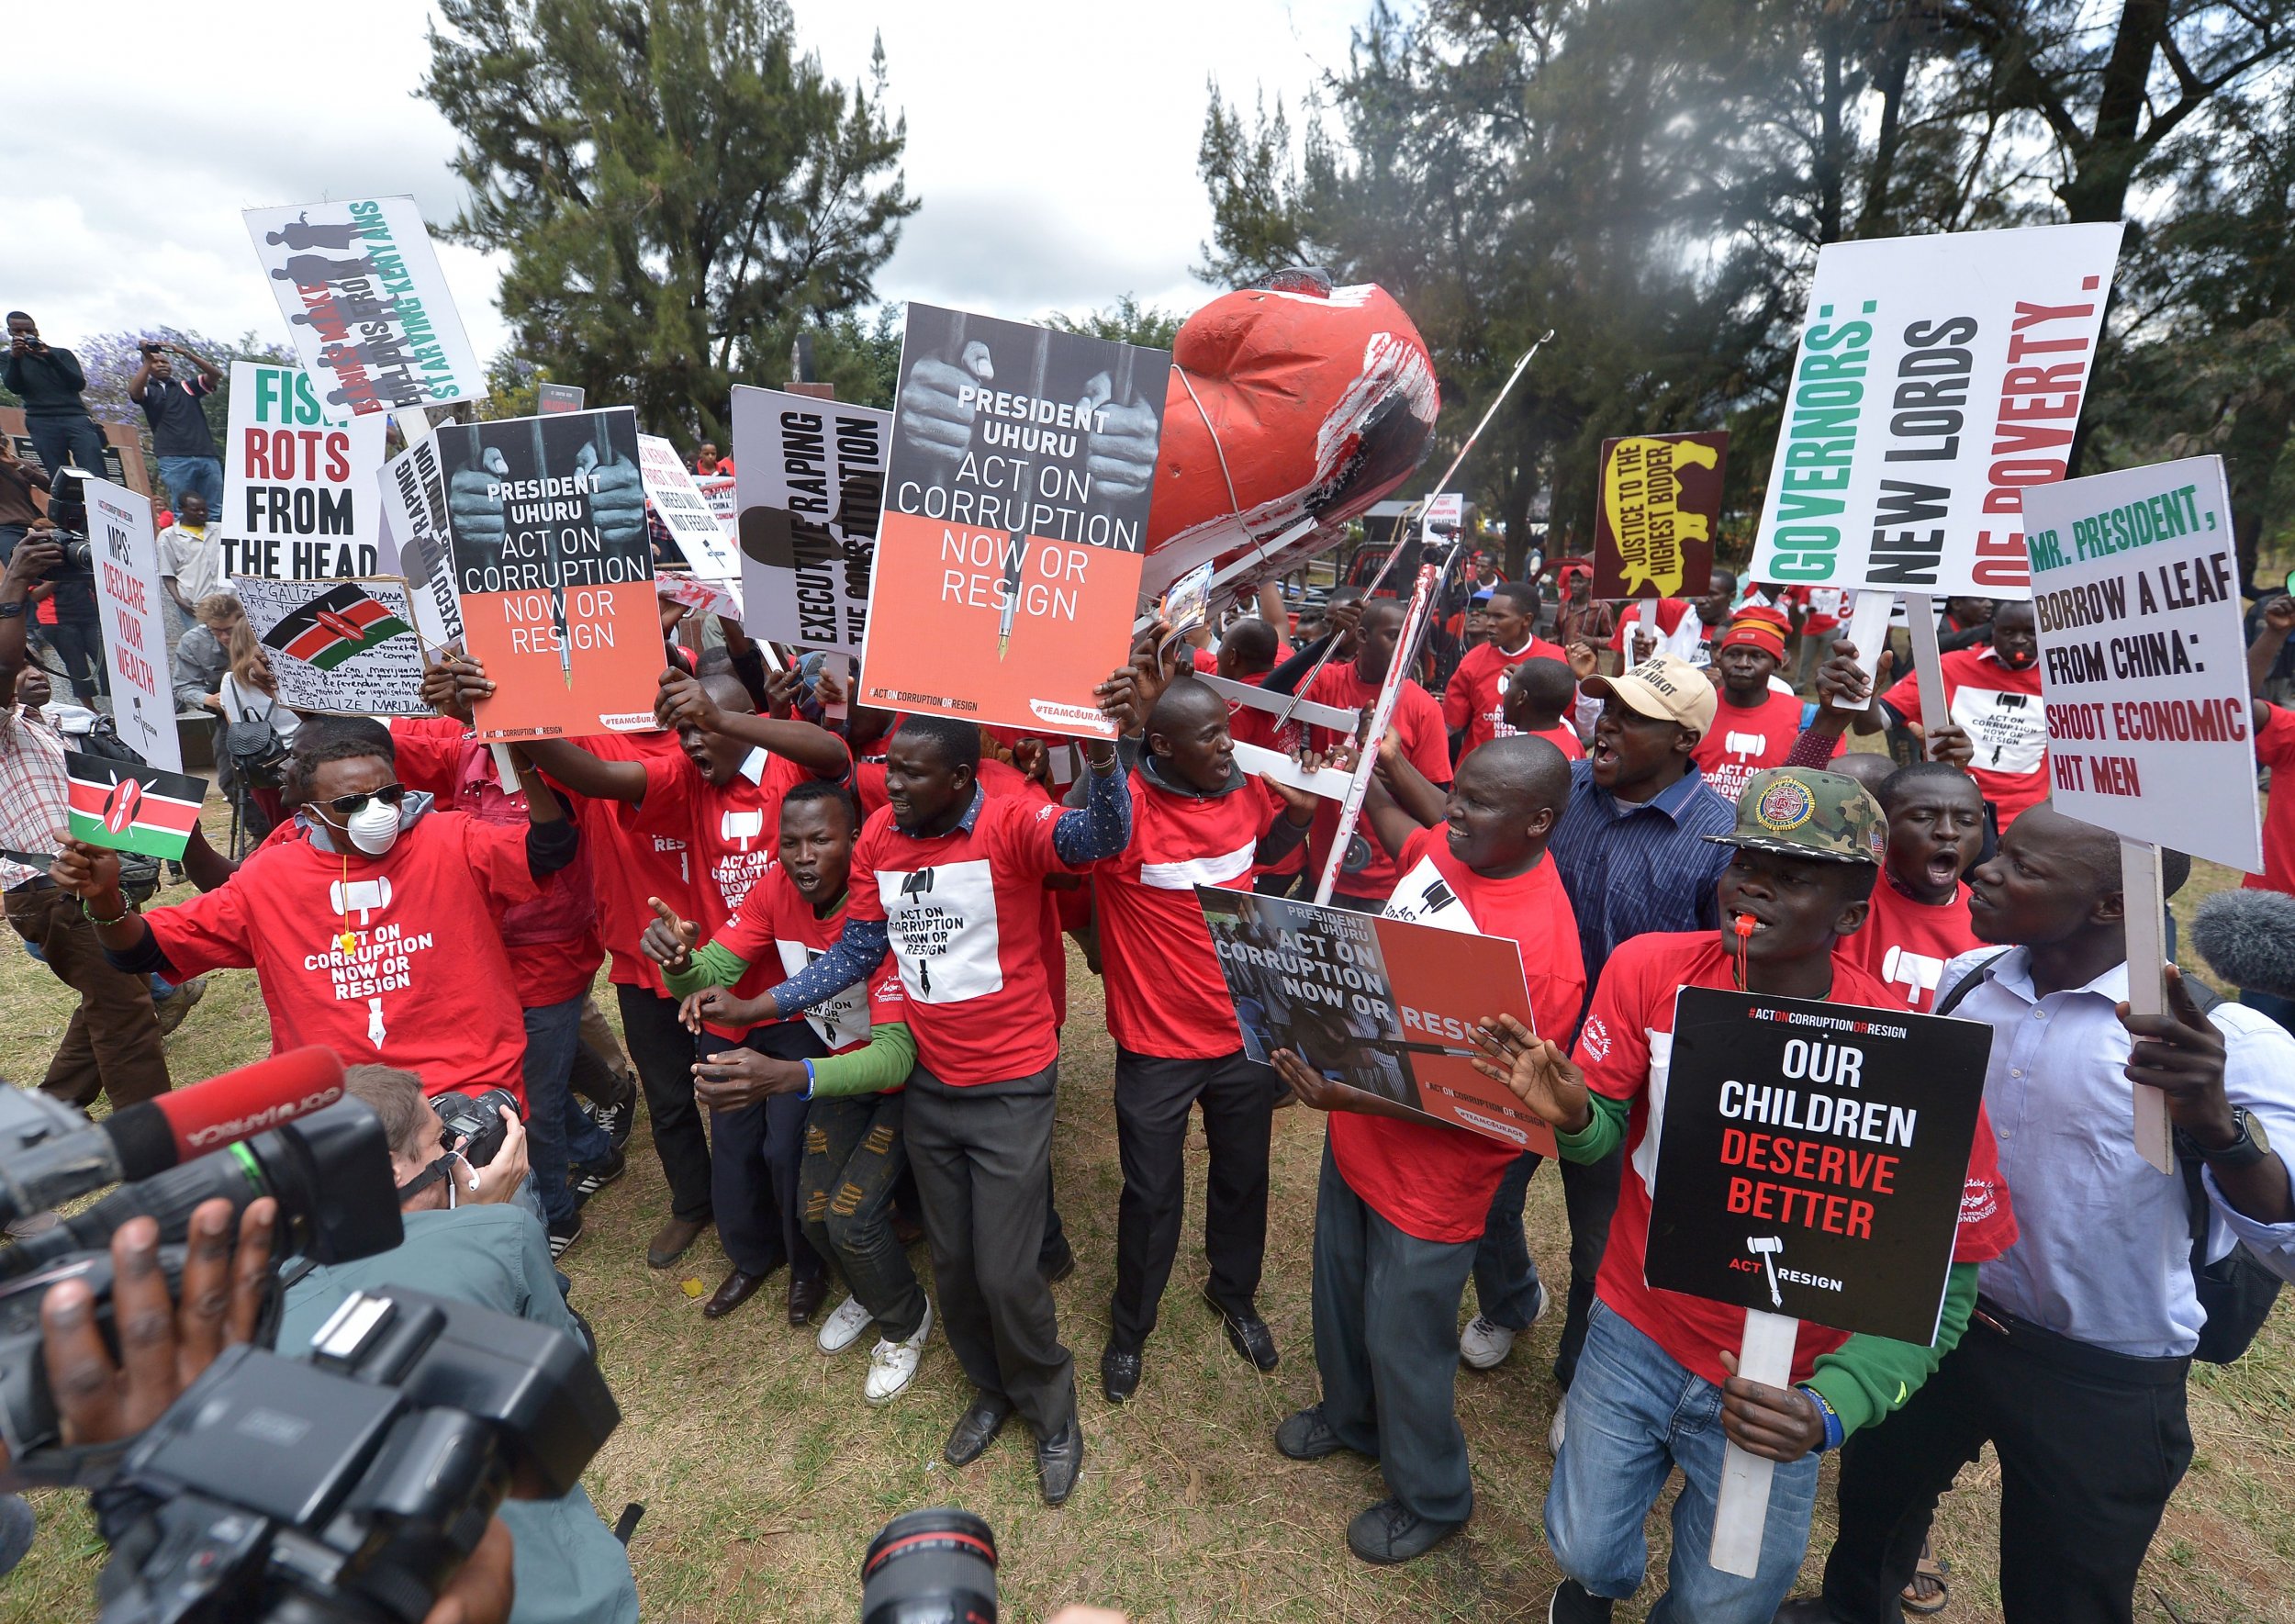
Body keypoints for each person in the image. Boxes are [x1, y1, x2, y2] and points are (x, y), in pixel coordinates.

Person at [1474, 767, 2016, 1622]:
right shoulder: (1651, 971)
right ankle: (1590, 1592)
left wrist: (1832, 1407)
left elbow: (1941, 1289)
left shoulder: (1909, 1061)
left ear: (1850, 914)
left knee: (1728, 1601)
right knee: (1581, 1540)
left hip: (1781, 1382)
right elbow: (1606, 1126)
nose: (1752, 886)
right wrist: (1576, 1115)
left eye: (1792, 875)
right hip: (1634, 1325)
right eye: (1743, 863)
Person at [1781, 807, 2295, 1624]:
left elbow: (2285, 1233)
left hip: (2098, 1370)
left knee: (2066, 1585)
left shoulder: (2233, 1041)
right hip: (1943, 1320)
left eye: (2022, 866)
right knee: (1878, 1501)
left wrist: (2215, 1121)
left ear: (2108, 905)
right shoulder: (1972, 979)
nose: (1984, 869)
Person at [742, 698, 1141, 1507]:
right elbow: (858, 949)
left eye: (912, 773)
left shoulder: (1011, 821)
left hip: (1012, 1084)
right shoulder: (882, 839)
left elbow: (1098, 838)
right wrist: (763, 1007)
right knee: (956, 1263)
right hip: (932, 1084)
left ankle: (1051, 1407)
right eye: (889, 768)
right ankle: (990, 1388)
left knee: (1004, 1268)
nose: (890, 785)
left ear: (962, 777)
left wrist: (1103, 759)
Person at [1268, 734, 1584, 1564]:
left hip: (1432, 1180)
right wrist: (1375, 758)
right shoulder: (1458, 845)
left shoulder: (1540, 957)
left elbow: (1494, 1111)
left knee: (1404, 1340)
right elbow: (1405, 826)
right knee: (1339, 1299)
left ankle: (1433, 1494)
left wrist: (1349, 1092)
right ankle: (1351, 1419)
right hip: (1357, 1134)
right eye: (1460, 792)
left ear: (1540, 822)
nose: (1455, 811)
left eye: (1478, 802)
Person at [51, 718, 577, 1116]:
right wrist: (105, 900)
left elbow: (549, 848)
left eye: (388, 795)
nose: (377, 813)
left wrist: (523, 757)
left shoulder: (454, 840)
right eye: (351, 803)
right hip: (341, 1108)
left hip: (471, 1094)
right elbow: (142, 951)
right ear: (311, 813)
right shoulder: (271, 878)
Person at [515, 662, 850, 1273]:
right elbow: (596, 775)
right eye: (685, 731)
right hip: (723, 992)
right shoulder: (688, 780)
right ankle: (748, 1255)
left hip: (800, 993)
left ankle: (809, 1261)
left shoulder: (786, 765)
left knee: (790, 1142)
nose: (691, 741)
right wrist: (511, 719)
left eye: (701, 728)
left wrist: (720, 715)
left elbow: (833, 751)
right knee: (731, 1138)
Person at [1461, 654, 1735, 1398]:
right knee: (1486, 1199)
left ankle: (1579, 1375)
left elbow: (1723, 973)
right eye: (1604, 705)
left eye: (1631, 714)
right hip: (1525, 1048)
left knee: (1601, 1245)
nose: (1605, 722)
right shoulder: (1560, 791)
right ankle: (1514, 1299)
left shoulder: (1720, 839)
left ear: (1685, 740)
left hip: (1626, 1090)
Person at [280, 1063, 640, 1624]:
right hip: (526, 1579)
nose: (457, 1145)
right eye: (439, 1140)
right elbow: (568, 1376)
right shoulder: (500, 1234)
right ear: (392, 1168)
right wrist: (481, 1224)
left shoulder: (250, 1295)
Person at [650, 782, 939, 1403]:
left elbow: (894, 1056)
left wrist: (790, 1076)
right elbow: (712, 979)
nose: (802, 856)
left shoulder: (879, 912)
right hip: (838, 1067)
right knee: (810, 1210)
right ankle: (867, 1287)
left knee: (850, 1216)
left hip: (903, 1082)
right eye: (790, 843)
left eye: (820, 840)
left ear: (855, 842)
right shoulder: (775, 890)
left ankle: (905, 1319)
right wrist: (678, 963)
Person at [1090, 674, 1317, 1401]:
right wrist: (1104, 740)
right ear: (1161, 745)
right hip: (1157, 1045)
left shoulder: (1243, 788)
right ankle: (1132, 1326)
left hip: (1242, 1033)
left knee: (1244, 1172)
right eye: (1212, 735)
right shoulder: (1124, 814)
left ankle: (1234, 1290)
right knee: (1151, 1193)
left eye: (1228, 729)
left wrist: (1300, 822)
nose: (1229, 744)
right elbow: (1078, 828)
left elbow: (1264, 855)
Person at [403, 661, 622, 1258]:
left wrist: (511, 732)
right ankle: (600, 1150)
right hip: (487, 952)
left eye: (471, 678)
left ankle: (558, 1215)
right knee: (536, 1081)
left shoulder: (563, 746)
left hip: (552, 949)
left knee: (535, 1100)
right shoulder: (462, 749)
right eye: (452, 679)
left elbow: (562, 830)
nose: (459, 686)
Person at [0, 534, 173, 1111]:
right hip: (48, 889)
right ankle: (154, 1153)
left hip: (85, 882)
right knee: (126, 1013)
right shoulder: (5, 727)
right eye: (14, 669)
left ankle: (47, 1121)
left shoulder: (45, 725)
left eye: (32, 661)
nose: (27, 672)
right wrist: (16, 582)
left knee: (115, 995)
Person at [1265, 598, 1452, 910]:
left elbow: (1436, 806)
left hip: (1387, 881)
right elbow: (1270, 694)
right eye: (1394, 635)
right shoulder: (1328, 680)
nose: (1405, 646)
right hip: (1326, 871)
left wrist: (1380, 775)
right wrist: (1329, 641)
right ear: (1362, 636)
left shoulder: (1423, 707)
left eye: (1411, 637)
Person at [1857, 599, 2047, 828]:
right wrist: (1867, 683)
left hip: (2022, 824)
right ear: (1993, 627)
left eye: (2031, 632)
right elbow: (1868, 725)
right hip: (1954, 819)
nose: (2019, 640)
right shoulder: (1947, 668)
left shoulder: (2063, 680)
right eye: (2008, 631)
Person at [1832, 762, 1986, 1011]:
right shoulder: (1836, 900)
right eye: (1923, 818)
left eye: (1966, 822)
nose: (1948, 832)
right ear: (1880, 827)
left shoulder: (1998, 930)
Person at [1695, 605, 1837, 802]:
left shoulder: (1807, 719)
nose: (1742, 663)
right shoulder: (1694, 709)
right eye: (1734, 654)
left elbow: (1824, 789)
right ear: (1719, 658)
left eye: (1757, 656)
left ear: (1778, 663)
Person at [1443, 580, 1567, 762]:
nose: (1490, 624)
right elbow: (1450, 724)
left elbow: (1576, 724)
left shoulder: (1557, 660)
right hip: (1479, 776)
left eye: (1499, 617)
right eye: (1489, 615)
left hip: (1536, 774)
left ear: (1526, 620)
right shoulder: (1473, 660)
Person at [4, 315, 107, 479]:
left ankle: (98, 503)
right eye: (18, 331)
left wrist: (49, 357)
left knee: (95, 472)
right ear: (10, 332)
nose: (24, 334)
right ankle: (71, 505)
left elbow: (78, 384)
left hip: (75, 417)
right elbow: (14, 387)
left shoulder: (61, 354)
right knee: (61, 476)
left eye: (28, 331)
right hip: (40, 421)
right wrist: (15, 358)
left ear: (36, 331)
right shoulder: (7, 358)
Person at [129, 342, 225, 514]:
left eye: (164, 362)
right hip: (173, 458)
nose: (160, 365)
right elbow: (134, 393)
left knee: (215, 510)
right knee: (183, 510)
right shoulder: (147, 390)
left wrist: (185, 353)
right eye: (154, 362)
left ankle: (214, 542)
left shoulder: (187, 387)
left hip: (206, 455)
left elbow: (216, 374)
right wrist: (146, 360)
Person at [1611, 567, 1737, 668]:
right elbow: (1649, 593)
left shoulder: (1740, 627)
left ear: (1732, 596)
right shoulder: (1681, 614)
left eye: (1711, 595)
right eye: (1699, 593)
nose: (1700, 600)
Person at [155, 491, 222, 644]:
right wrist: (179, 600)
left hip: (226, 602)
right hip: (196, 605)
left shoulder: (219, 530)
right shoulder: (168, 537)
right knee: (203, 649)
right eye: (195, 510)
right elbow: (167, 573)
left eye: (204, 509)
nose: (201, 513)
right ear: (181, 509)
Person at [1495, 655, 1585, 760]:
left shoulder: (1517, 755)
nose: (1505, 693)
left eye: (1509, 686)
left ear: (1521, 698)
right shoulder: (1573, 741)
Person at [171, 592, 244, 716]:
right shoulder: (193, 642)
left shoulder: (256, 633)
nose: (225, 637)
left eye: (229, 630)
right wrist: (208, 700)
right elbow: (182, 686)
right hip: (224, 707)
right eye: (216, 630)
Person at [0, 437, 50, 565]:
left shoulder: (23, 464)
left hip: (33, 525)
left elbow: (50, 488)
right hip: (5, 529)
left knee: (53, 566)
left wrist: (17, 466)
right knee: (18, 566)